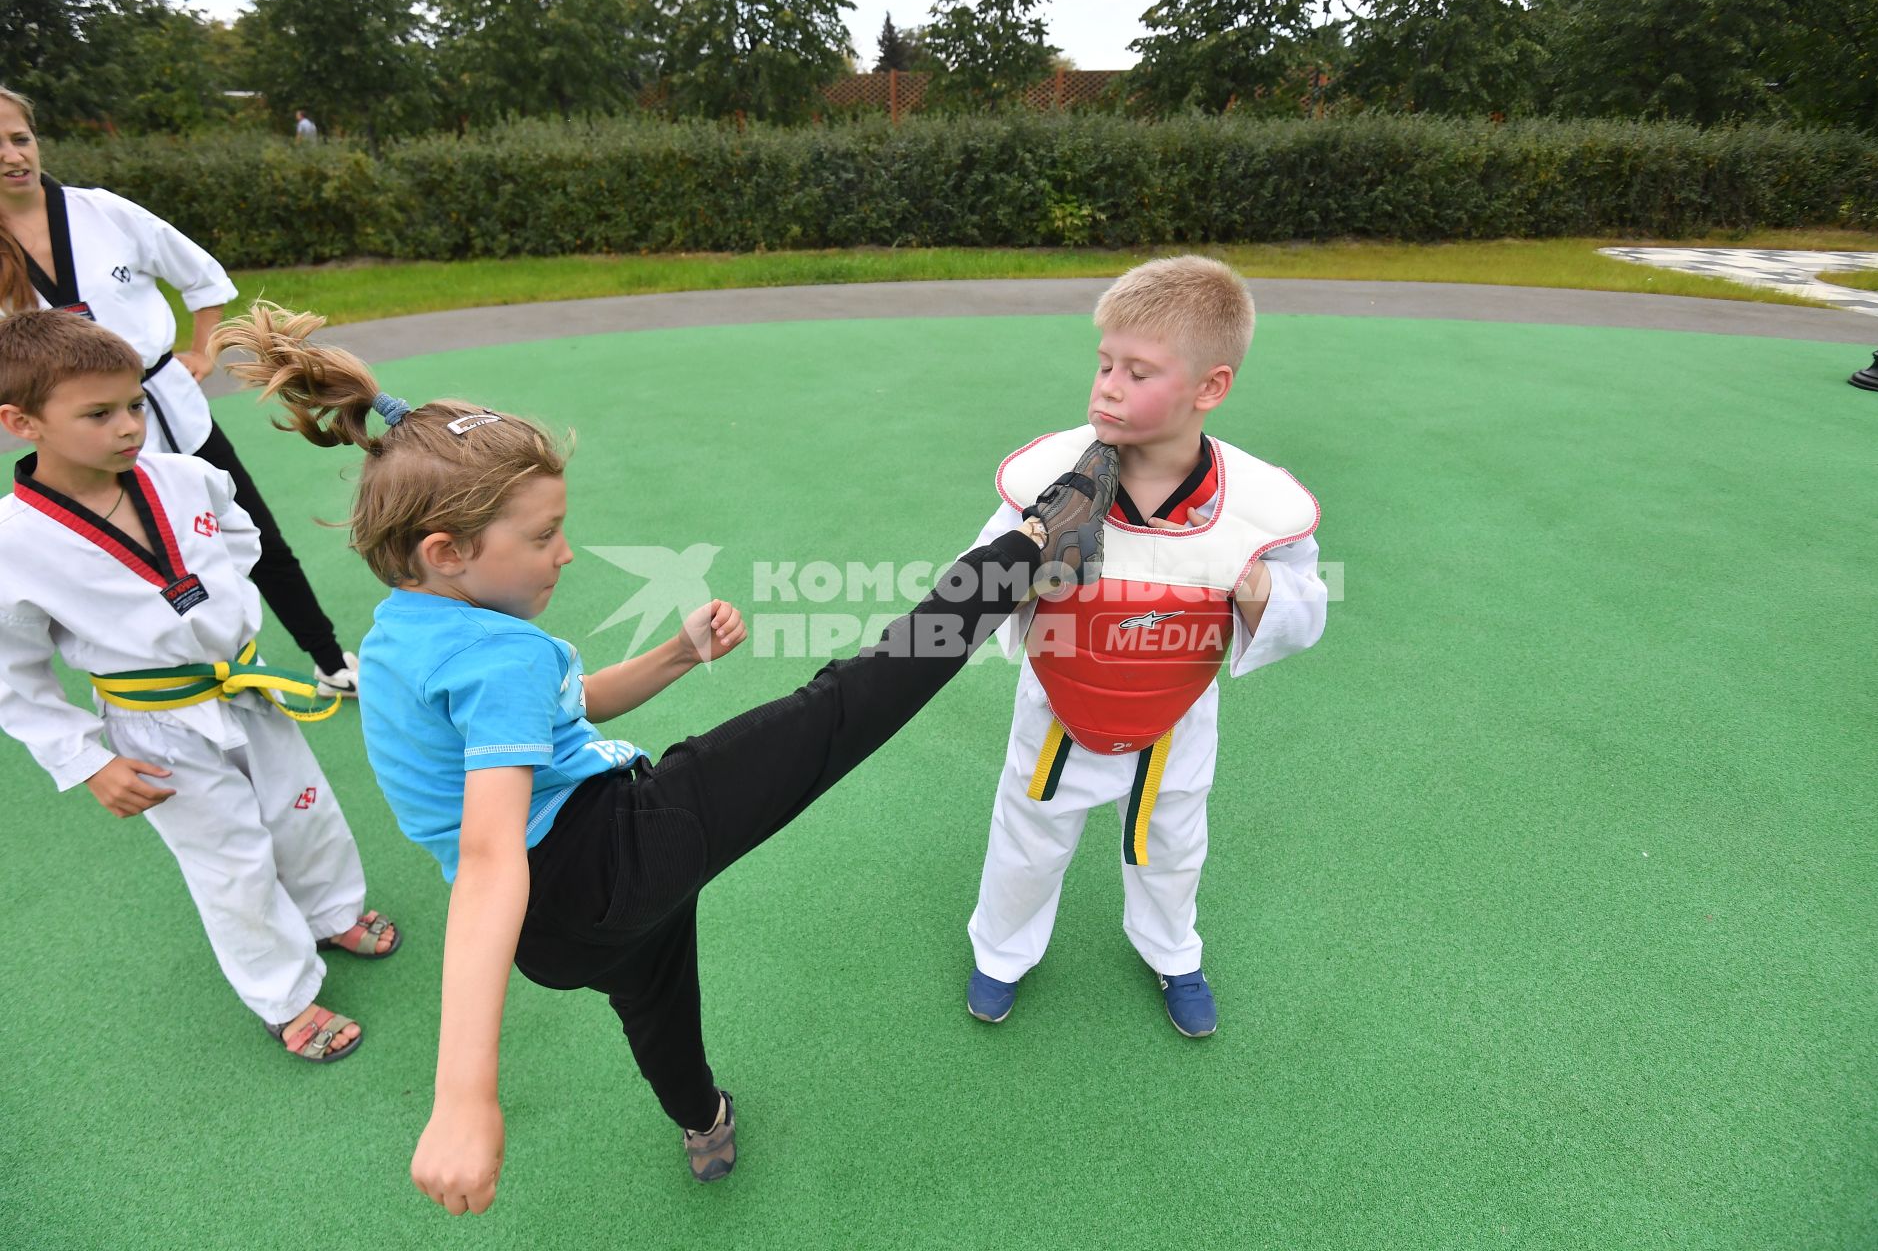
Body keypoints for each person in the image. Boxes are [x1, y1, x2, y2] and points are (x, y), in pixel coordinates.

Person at [214, 301, 1119, 1210]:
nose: (564, 553)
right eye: (540, 537)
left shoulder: (409, 633)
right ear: (444, 550)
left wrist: (678, 653)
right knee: (842, 707)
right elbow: (492, 855)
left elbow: (562, 715)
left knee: (654, 1005)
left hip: (560, 930)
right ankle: (1029, 545)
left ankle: (703, 1118)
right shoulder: (494, 657)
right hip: (606, 857)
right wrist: (462, 1095)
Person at [0, 309, 398, 1063]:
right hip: (154, 727)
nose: (128, 427)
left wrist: (214, 611)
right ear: (24, 422)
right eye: (98, 414)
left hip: (245, 686)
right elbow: (11, 676)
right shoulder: (12, 544)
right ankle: (285, 995)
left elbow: (238, 534)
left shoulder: (187, 476)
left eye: (134, 405)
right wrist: (86, 761)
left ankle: (332, 910)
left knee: (302, 808)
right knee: (230, 860)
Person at [962, 255, 1329, 1038]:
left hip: (1179, 708)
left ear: (1210, 387)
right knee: (1029, 831)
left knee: (1173, 841)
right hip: (1060, 697)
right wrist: (1028, 561)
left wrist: (1247, 577)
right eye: (1103, 364)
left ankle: (1170, 948)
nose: (1108, 387)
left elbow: (1308, 610)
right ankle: (1000, 952)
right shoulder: (1049, 478)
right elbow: (969, 587)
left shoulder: (1256, 505)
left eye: (1139, 371)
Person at [0, 84, 360, 697]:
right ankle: (179, 683)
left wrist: (201, 350)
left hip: (170, 408)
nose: (13, 155)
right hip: (76, 438)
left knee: (253, 532)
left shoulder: (103, 213)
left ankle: (330, 661)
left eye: (19, 137)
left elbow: (203, 277)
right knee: (121, 563)